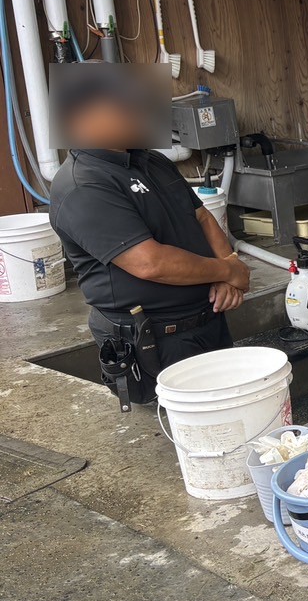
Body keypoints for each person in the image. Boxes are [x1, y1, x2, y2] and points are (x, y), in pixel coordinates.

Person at [49, 64, 247, 410]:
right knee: (184, 426)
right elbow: (149, 263)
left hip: (208, 319)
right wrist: (228, 271)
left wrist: (227, 265)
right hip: (154, 339)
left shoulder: (151, 161)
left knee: (229, 412)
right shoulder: (83, 185)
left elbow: (201, 216)